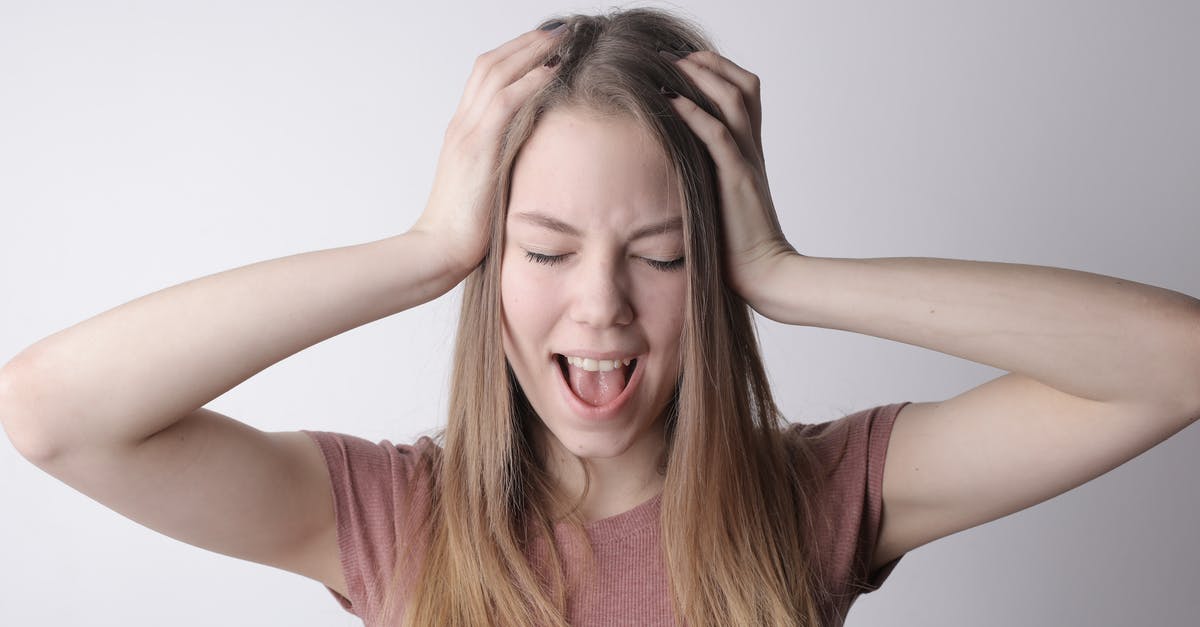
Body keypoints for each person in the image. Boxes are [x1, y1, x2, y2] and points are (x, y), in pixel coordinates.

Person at [1, 6, 1197, 627]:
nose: (601, 306)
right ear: (490, 266)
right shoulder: (388, 521)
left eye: (664, 255)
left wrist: (785, 274)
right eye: (544, 249)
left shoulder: (816, 499)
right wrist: (421, 252)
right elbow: (52, 414)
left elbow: (1176, 363)